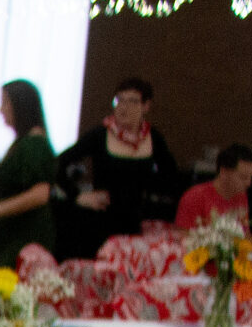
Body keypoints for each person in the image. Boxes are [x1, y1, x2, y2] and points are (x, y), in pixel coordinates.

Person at [54, 78, 180, 250]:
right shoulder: (100, 135)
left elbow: (171, 178)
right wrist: (77, 195)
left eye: (132, 101)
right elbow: (57, 164)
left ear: (146, 106)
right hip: (99, 221)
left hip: (134, 222)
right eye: (119, 100)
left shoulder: (154, 139)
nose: (123, 107)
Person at [0, 80, 55, 268]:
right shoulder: (22, 142)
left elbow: (40, 194)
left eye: (5, 102)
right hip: (10, 234)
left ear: (20, 105)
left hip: (25, 237)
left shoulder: (35, 144)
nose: (1, 110)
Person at [176, 145, 252, 232]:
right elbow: (183, 237)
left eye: (250, 177)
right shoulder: (195, 197)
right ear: (224, 172)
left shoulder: (241, 196)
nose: (249, 183)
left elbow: (245, 236)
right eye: (243, 177)